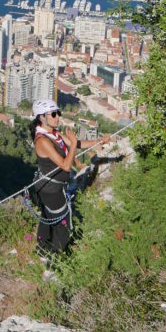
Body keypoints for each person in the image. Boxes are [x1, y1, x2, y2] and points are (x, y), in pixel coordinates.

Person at [29, 98, 109, 255]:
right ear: (41, 117)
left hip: (48, 187)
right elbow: (66, 165)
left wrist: (99, 141)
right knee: (63, 225)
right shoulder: (42, 141)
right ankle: (54, 263)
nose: (57, 117)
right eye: (53, 114)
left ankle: (42, 249)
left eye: (58, 113)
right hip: (52, 190)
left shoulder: (53, 134)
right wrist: (72, 144)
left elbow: (77, 144)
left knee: (48, 216)